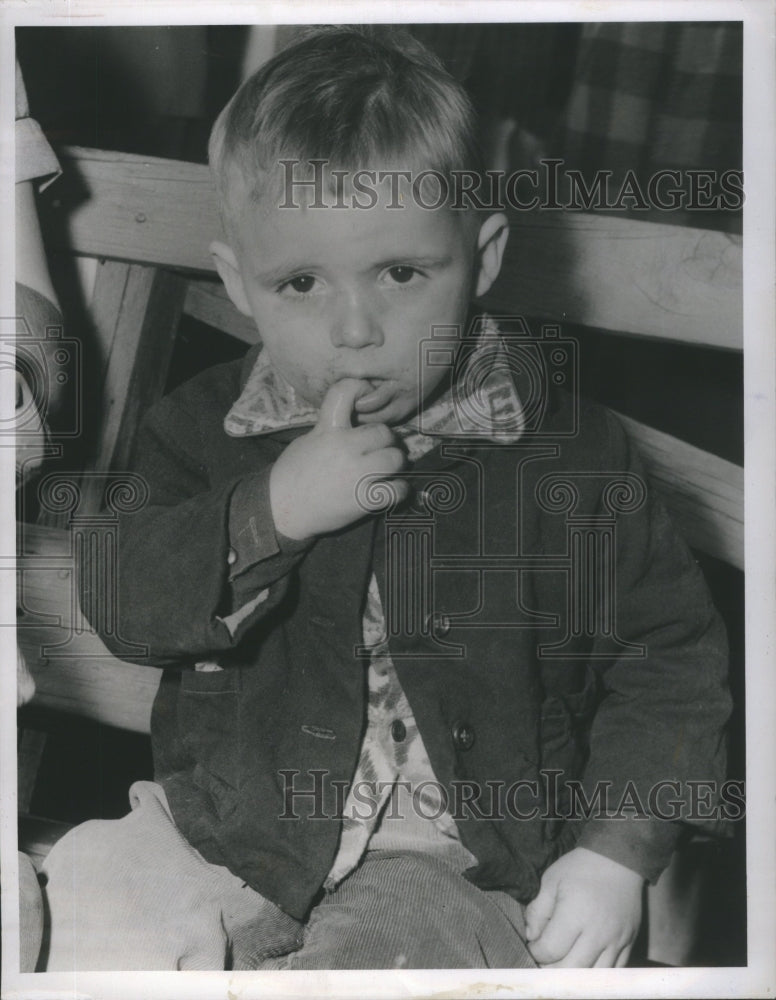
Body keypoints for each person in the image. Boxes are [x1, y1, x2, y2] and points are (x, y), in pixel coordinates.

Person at [39, 26, 731, 971]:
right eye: (300, 283)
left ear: (481, 259)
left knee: (369, 960)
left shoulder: (570, 454)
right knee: (93, 886)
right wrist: (270, 510)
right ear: (240, 284)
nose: (355, 330)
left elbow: (671, 656)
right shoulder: (199, 429)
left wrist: (616, 849)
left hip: (454, 861)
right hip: (229, 830)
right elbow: (124, 604)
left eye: (402, 273)